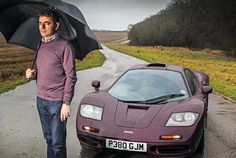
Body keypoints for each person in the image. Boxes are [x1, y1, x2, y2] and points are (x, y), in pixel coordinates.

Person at [26, 8, 77, 158]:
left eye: (47, 23)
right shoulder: (40, 45)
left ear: (56, 25)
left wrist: (66, 102)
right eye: (40, 23)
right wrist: (33, 75)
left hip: (57, 102)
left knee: (57, 143)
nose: (42, 27)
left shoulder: (65, 46)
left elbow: (71, 76)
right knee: (49, 140)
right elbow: (46, 71)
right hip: (40, 100)